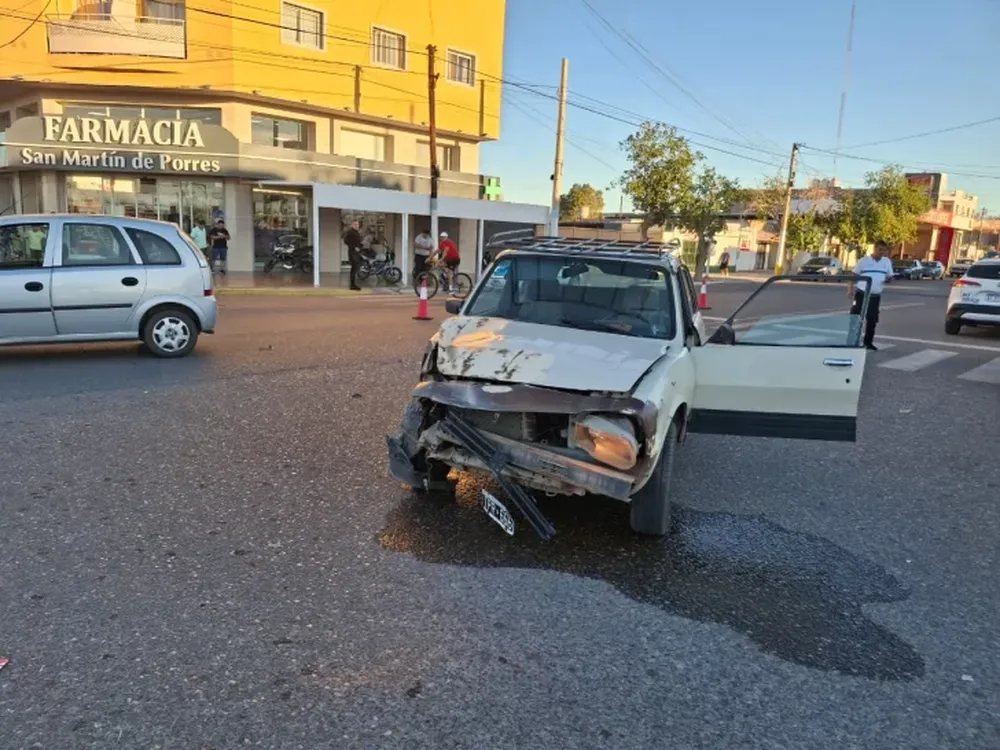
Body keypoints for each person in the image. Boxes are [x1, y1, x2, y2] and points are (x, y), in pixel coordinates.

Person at [848, 239, 894, 350]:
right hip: (861, 294)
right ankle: (851, 341)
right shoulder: (864, 261)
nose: (882, 252)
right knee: (856, 317)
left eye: (884, 250)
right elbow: (853, 276)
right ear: (874, 249)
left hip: (875, 296)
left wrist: (889, 279)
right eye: (880, 249)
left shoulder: (886, 262)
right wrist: (850, 289)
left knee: (872, 320)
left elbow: (890, 276)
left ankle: (868, 342)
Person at [342, 220, 364, 291]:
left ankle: (354, 284)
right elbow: (346, 241)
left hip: (357, 253)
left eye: (357, 224)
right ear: (352, 225)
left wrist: (361, 245)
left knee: (357, 267)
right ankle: (352, 285)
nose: (356, 226)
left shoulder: (356, 232)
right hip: (353, 253)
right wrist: (354, 247)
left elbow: (357, 241)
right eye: (355, 224)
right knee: (354, 269)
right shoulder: (350, 232)